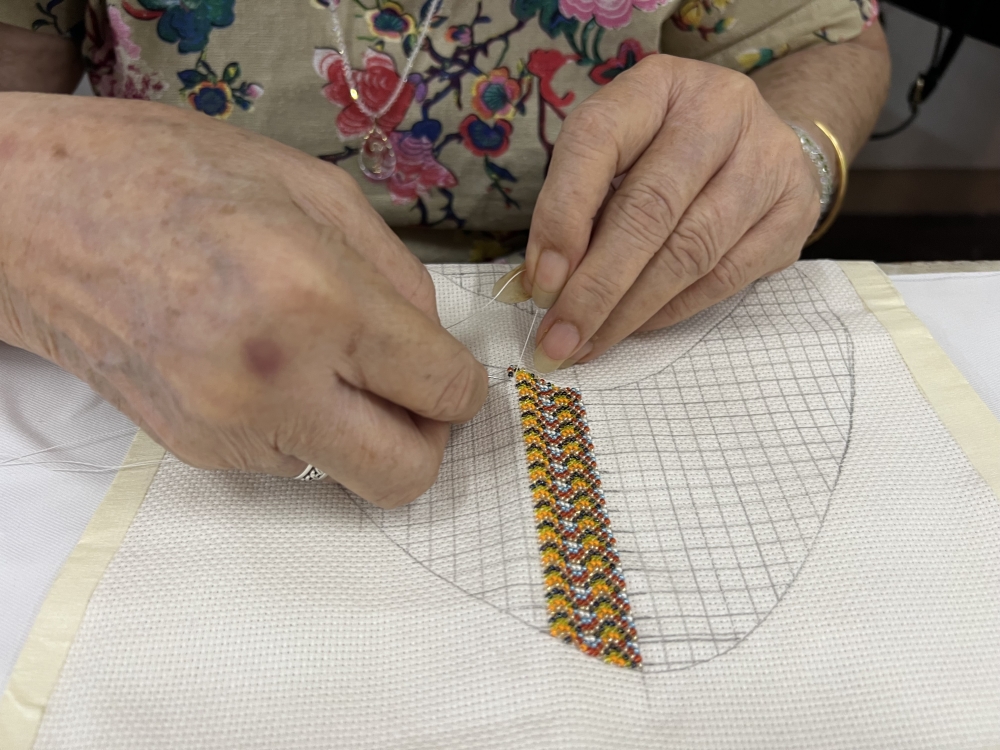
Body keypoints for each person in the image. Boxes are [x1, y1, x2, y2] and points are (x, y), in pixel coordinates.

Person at [0, 0, 889, 507]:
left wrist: (794, 149)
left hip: (622, 318)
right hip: (147, 347)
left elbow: (826, 40)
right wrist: (26, 210)